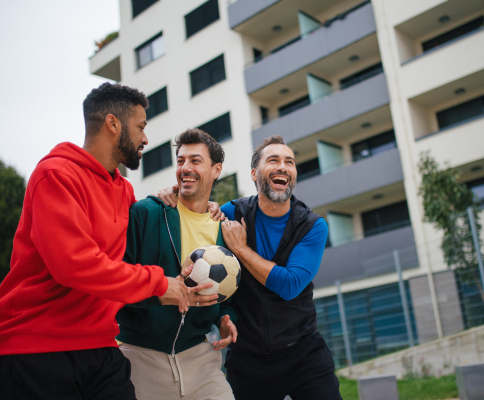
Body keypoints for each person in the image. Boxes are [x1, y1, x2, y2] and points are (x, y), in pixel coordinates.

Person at [0, 83, 196, 400]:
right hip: (37, 347)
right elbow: (75, 264)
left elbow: (122, 266)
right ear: (112, 123)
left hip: (101, 347)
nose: (145, 138)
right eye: (141, 127)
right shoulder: (56, 175)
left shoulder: (123, 190)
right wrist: (159, 284)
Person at [158, 135, 342, 399]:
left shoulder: (312, 226)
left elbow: (289, 285)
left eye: (289, 162)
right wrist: (168, 194)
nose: (283, 166)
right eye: (273, 160)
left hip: (303, 354)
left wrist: (242, 249)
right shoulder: (230, 214)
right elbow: (194, 213)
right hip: (246, 359)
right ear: (255, 174)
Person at [116, 129, 238, 400]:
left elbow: (224, 293)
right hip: (140, 358)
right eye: (181, 161)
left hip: (201, 359)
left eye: (195, 160)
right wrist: (162, 294)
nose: (185, 168)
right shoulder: (146, 213)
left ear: (216, 170)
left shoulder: (224, 230)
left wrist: (226, 318)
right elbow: (115, 284)